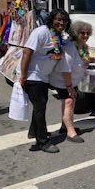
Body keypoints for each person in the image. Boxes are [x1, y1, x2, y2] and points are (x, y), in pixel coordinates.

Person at [19, 8, 71, 153]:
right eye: (58, 19)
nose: (61, 23)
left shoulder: (57, 35)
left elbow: (55, 55)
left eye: (64, 20)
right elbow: (26, 52)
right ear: (51, 19)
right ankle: (43, 141)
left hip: (44, 76)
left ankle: (34, 132)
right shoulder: (41, 32)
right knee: (40, 106)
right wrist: (23, 75)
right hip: (33, 75)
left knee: (40, 105)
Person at [49, 21, 93, 143]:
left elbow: (84, 60)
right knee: (69, 101)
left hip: (72, 80)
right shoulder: (70, 47)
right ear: (75, 33)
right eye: (82, 33)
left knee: (68, 102)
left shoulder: (83, 46)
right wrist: (69, 87)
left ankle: (64, 126)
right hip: (62, 80)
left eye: (87, 33)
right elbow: (65, 69)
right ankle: (70, 132)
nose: (85, 35)